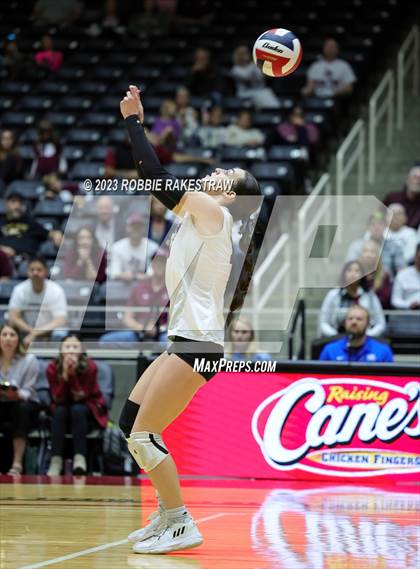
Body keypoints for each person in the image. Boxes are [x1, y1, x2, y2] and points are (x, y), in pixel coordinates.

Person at [118, 85, 262, 554]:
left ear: (230, 195)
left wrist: (134, 124)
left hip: (196, 345)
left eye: (229, 173)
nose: (218, 171)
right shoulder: (206, 216)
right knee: (130, 421)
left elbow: (156, 178)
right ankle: (165, 515)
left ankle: (180, 522)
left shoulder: (214, 216)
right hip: (183, 340)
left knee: (145, 433)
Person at [46, 334, 108, 476]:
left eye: (75, 347)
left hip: (86, 405)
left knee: (77, 409)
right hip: (62, 406)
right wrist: (65, 376)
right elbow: (57, 398)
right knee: (59, 411)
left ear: (81, 351)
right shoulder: (52, 367)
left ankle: (80, 459)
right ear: (61, 350)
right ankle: (56, 461)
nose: (71, 350)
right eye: (67, 347)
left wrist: (72, 375)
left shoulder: (90, 366)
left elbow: (81, 396)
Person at [100, 249, 169, 344]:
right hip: (138, 332)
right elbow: (127, 317)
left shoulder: (172, 288)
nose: (159, 265)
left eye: (163, 262)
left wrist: (161, 329)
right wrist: (143, 328)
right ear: (152, 264)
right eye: (156, 261)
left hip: (164, 333)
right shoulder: (140, 288)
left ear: (168, 264)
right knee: (106, 341)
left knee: (168, 344)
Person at [0, 324, 40, 475]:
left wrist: (16, 395)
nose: (8, 339)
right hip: (2, 403)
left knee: (21, 409)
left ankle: (17, 464)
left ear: (19, 339)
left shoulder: (30, 360)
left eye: (12, 335)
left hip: (24, 403)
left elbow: (29, 390)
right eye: (4, 335)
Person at [8, 256, 68, 346]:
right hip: (26, 330)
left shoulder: (56, 290)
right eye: (32, 270)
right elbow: (13, 316)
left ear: (46, 272)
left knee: (61, 331)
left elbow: (60, 320)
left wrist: (35, 333)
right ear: (27, 271)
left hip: (49, 331)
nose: (35, 273)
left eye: (39, 270)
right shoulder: (19, 289)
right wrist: (30, 330)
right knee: (10, 326)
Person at [318, 260, 386, 337]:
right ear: (344, 274)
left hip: (364, 340)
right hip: (336, 339)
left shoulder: (370, 296)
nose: (353, 274)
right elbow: (323, 323)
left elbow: (381, 324)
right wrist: (335, 337)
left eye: (357, 271)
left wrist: (366, 337)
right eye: (349, 270)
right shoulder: (333, 295)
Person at [0, 187, 62, 259]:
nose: (17, 206)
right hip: (5, 260)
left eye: (20, 203)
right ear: (6, 204)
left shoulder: (30, 222)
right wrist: (2, 249)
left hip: (28, 261)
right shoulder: (1, 222)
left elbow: (48, 233)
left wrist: (56, 234)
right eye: (13, 202)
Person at [319, 305, 393, 362]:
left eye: (359, 319)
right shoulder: (330, 350)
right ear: (345, 323)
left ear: (367, 324)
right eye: (350, 319)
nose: (354, 322)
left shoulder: (383, 351)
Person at [345, 211, 405, 278]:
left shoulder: (394, 246)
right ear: (368, 226)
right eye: (373, 224)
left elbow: (401, 271)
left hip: (387, 284)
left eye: (380, 224)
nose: (377, 228)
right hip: (362, 283)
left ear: (386, 226)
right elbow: (349, 269)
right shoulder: (356, 246)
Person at [109, 213, 158, 280]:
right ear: (127, 228)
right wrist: (124, 275)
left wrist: (135, 277)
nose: (136, 229)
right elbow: (114, 273)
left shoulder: (153, 247)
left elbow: (153, 272)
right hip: (122, 285)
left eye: (138, 226)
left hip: (146, 285)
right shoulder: (117, 247)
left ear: (143, 228)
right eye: (133, 226)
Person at [231, 45, 280, 109]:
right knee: (263, 95)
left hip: (259, 92)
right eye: (242, 53)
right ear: (238, 55)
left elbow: (264, 79)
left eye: (246, 52)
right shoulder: (235, 69)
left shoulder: (255, 65)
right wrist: (255, 63)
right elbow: (246, 77)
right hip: (244, 94)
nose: (245, 55)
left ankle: (275, 112)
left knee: (267, 92)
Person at [358, 240, 392, 308]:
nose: (368, 255)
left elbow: (384, 301)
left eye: (372, 252)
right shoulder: (355, 274)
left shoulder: (384, 276)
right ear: (360, 255)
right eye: (365, 251)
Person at [391, 244, 420, 309]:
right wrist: (409, 304)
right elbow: (395, 300)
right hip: (407, 314)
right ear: (415, 257)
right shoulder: (402, 275)